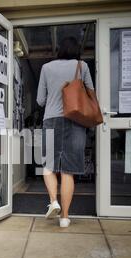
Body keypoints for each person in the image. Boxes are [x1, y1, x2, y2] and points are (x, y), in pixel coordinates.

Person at [36, 36, 95, 228]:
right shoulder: (82, 66)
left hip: (51, 120)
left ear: (60, 50)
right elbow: (90, 93)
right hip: (75, 120)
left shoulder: (46, 68)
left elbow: (40, 101)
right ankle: (65, 218)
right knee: (68, 171)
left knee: (48, 165)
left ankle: (54, 201)